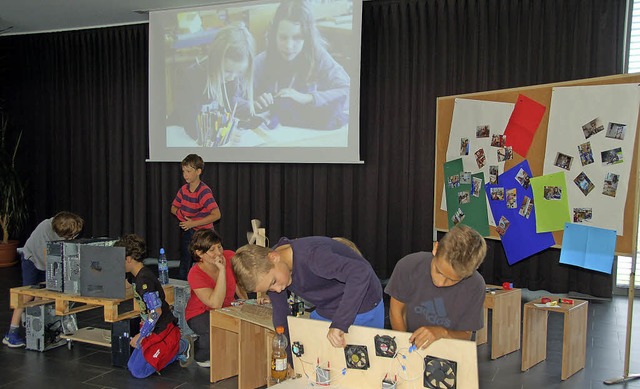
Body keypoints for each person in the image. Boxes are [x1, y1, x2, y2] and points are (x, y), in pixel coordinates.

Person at [231, 236, 383, 361]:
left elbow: (361, 272)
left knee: (362, 365)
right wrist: (290, 361)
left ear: (274, 257)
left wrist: (340, 323)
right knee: (320, 364)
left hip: (362, 302)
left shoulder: (313, 256)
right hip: (328, 306)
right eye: (269, 289)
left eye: (273, 282)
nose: (277, 290)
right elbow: (281, 316)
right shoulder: (272, 270)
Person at [385, 224, 487, 349]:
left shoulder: (475, 285)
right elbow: (396, 311)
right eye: (438, 271)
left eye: (452, 280)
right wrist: (405, 346)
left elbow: (466, 335)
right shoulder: (408, 266)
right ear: (435, 248)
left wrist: (442, 333)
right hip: (410, 345)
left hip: (450, 349)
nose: (440, 283)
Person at [253, 0, 350, 130]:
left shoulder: (318, 56)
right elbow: (235, 97)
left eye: (297, 37)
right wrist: (253, 103)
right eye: (283, 37)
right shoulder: (262, 61)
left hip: (309, 137)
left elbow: (350, 92)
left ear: (308, 37)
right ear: (273, 34)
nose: (289, 46)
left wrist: (308, 98)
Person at [114, 234, 194, 378]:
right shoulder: (135, 274)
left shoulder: (144, 280)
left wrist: (141, 335)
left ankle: (181, 346)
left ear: (128, 259)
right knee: (132, 366)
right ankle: (168, 348)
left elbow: (156, 311)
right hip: (150, 327)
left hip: (161, 328)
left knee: (138, 372)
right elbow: (123, 286)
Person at [3, 211, 83, 348]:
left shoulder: (60, 225)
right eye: (72, 235)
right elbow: (49, 259)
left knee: (41, 297)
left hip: (46, 262)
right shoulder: (45, 230)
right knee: (28, 295)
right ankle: (11, 333)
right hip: (32, 260)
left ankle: (35, 326)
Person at [168, 23, 256, 144]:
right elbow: (191, 124)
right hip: (181, 136)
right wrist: (223, 135)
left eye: (239, 72)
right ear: (215, 60)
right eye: (228, 71)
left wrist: (252, 107)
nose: (233, 77)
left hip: (213, 141)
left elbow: (230, 103)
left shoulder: (232, 78)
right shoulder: (191, 77)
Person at [185, 230, 247, 367]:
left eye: (219, 247)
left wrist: (246, 303)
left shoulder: (230, 256)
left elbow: (238, 283)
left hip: (227, 308)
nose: (218, 253)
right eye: (212, 250)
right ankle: (195, 348)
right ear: (199, 253)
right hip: (200, 312)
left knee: (244, 328)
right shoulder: (195, 273)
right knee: (213, 335)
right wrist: (222, 271)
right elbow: (215, 303)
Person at [171, 153, 221, 280]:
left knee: (209, 262)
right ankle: (183, 287)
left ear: (198, 171)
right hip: (189, 230)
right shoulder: (183, 190)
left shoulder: (204, 191)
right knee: (185, 261)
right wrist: (184, 218)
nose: (185, 175)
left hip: (205, 233)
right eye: (183, 171)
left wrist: (193, 223)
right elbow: (173, 208)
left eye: (188, 171)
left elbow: (216, 214)